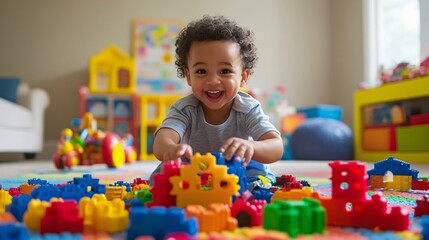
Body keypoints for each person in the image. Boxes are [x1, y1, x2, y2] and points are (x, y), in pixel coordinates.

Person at [150, 15, 284, 188]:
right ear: (188, 76)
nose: (213, 80)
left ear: (243, 77)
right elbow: (161, 141)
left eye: (225, 71)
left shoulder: (247, 108)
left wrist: (251, 146)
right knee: (161, 176)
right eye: (201, 71)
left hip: (238, 169)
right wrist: (171, 149)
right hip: (195, 171)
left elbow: (276, 146)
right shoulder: (185, 109)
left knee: (260, 177)